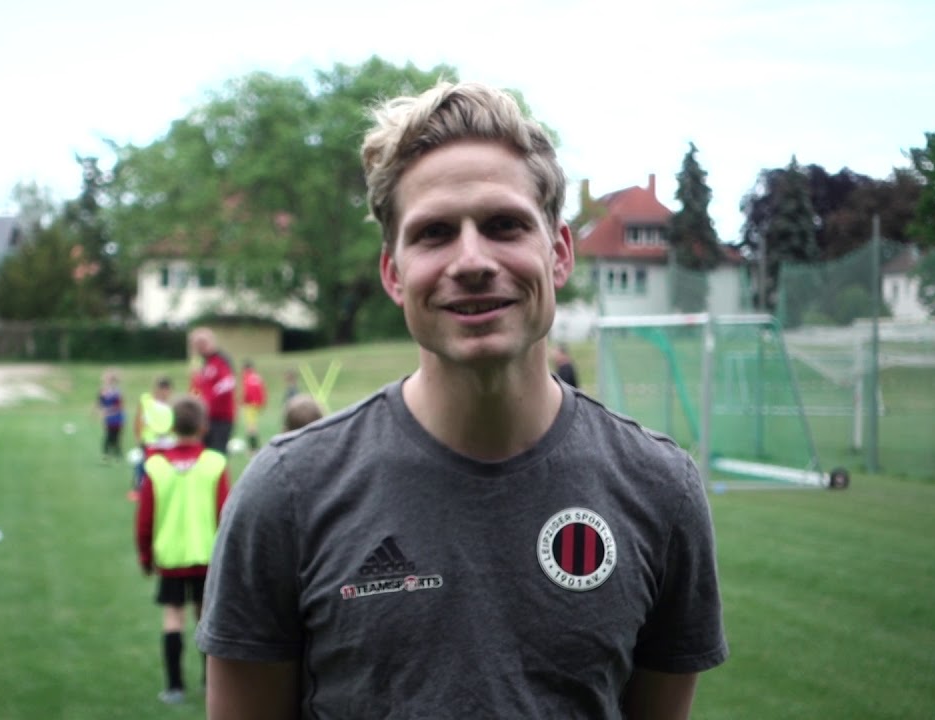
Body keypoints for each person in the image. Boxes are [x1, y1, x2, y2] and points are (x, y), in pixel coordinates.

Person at [197, 82, 727, 719]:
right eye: (434, 233)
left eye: (504, 225)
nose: (472, 261)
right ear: (394, 274)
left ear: (559, 253)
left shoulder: (660, 490)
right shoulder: (287, 494)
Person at [136, 395, 231, 705]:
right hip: (207, 556)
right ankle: (210, 684)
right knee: (206, 618)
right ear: (204, 426)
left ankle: (175, 687)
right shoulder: (214, 463)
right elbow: (226, 514)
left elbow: (145, 519)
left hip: (172, 557)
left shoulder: (156, 466)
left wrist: (146, 556)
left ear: (171, 426)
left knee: (173, 617)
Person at [187, 327, 236, 454]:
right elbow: (197, 388)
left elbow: (227, 384)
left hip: (220, 418)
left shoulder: (221, 360)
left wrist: (206, 401)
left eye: (202, 343)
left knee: (217, 454)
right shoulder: (204, 364)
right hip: (206, 418)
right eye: (196, 344)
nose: (200, 347)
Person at [130, 376, 175, 501]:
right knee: (144, 466)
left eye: (167, 390)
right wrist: (138, 435)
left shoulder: (172, 406)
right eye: (162, 389)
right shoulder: (147, 401)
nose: (164, 393)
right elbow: (139, 419)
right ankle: (139, 489)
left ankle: (161, 489)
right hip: (150, 441)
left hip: (167, 442)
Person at [97, 370, 125, 462]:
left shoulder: (117, 392)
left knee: (115, 437)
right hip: (109, 418)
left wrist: (108, 411)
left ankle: (116, 455)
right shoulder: (104, 391)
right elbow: (101, 403)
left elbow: (119, 406)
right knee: (109, 436)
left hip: (117, 417)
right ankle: (107, 455)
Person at [239, 360, 267, 451]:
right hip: (257, 405)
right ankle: (255, 446)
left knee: (251, 427)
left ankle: (253, 447)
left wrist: (242, 402)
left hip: (250, 405)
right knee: (253, 425)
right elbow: (263, 391)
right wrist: (262, 403)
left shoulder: (247, 377)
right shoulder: (257, 377)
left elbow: (247, 392)